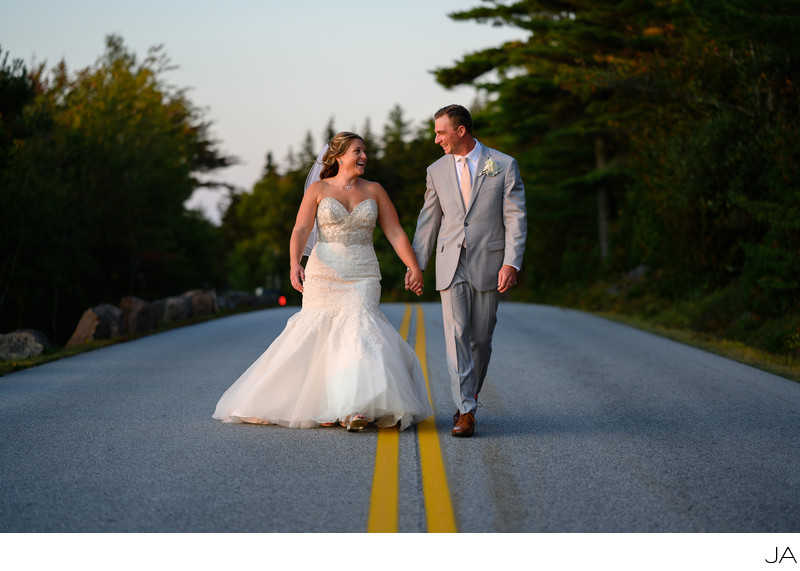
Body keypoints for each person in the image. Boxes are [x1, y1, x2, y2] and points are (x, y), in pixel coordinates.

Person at [214, 132, 432, 431]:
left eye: (365, 151)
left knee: (359, 330)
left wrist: (414, 267)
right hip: (323, 272)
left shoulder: (375, 190)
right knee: (319, 335)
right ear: (340, 156)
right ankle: (322, 405)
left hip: (363, 272)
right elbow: (301, 229)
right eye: (358, 151)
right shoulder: (318, 189)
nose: (364, 156)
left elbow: (395, 232)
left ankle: (356, 407)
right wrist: (294, 263)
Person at [407, 105, 527, 437]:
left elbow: (515, 217)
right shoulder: (436, 170)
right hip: (450, 261)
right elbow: (428, 220)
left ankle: (469, 395)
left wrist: (511, 261)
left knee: (482, 339)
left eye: (440, 132)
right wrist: (418, 265)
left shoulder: (503, 165)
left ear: (461, 131)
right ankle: (465, 410)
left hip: (490, 261)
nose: (436, 140)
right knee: (456, 333)